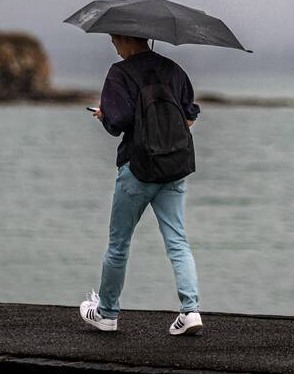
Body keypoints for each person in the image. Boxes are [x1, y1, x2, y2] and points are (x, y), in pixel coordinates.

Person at [79, 33, 203, 335]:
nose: (113, 45)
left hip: (137, 169)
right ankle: (191, 311)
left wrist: (104, 115)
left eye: (113, 39)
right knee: (178, 241)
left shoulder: (119, 73)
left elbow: (117, 123)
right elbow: (189, 117)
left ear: (125, 38)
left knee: (118, 245)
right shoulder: (174, 70)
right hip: (173, 168)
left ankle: (106, 313)